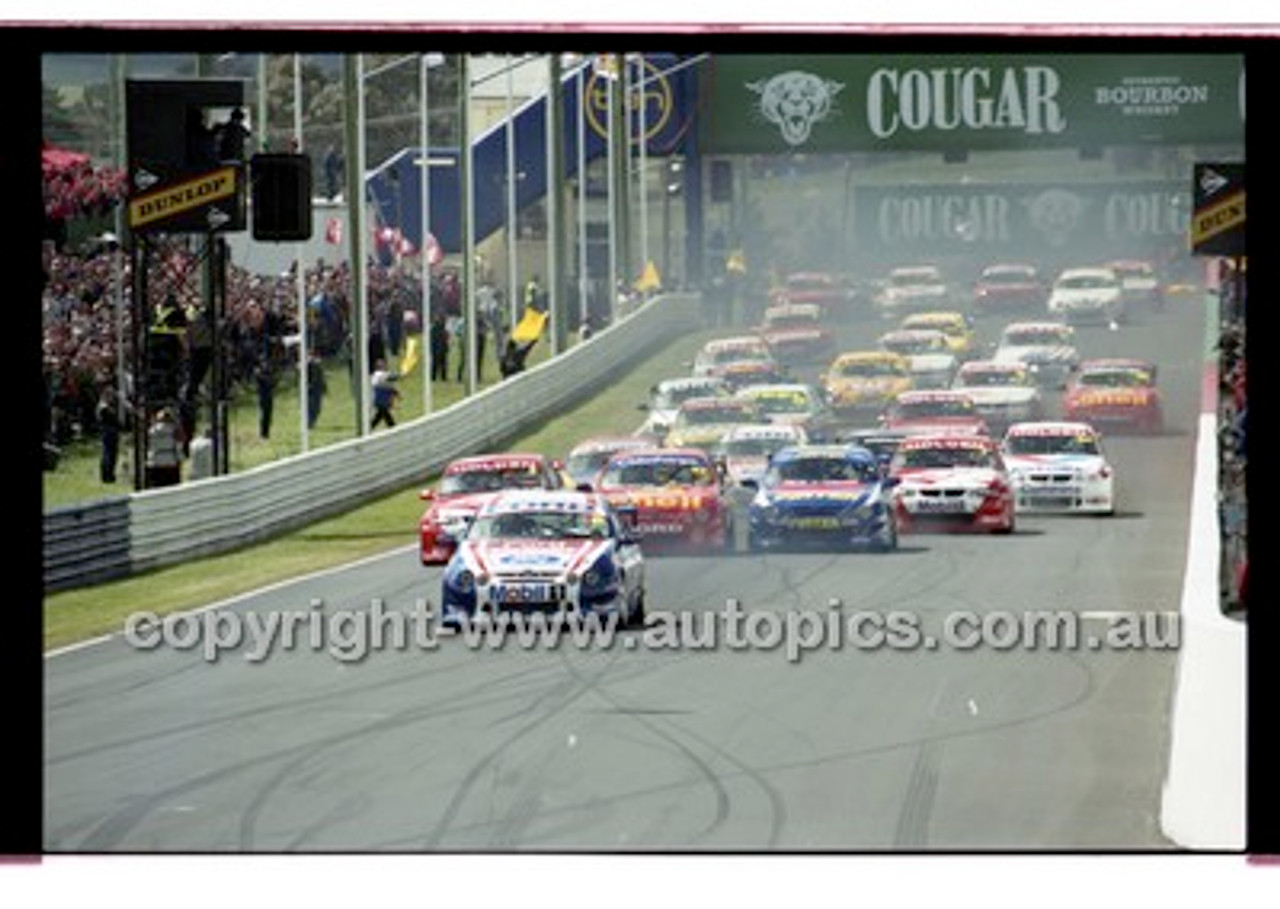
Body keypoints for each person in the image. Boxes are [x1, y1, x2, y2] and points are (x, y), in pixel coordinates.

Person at [145, 408, 183, 488]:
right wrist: (179, 460)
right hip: (170, 462)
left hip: (155, 461)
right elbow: (178, 445)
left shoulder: (152, 430)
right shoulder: (174, 429)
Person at [95, 383, 120, 483]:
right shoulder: (103, 406)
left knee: (112, 454)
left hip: (111, 432)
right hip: (107, 432)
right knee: (108, 455)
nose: (112, 397)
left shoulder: (107, 406)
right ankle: (106, 476)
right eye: (110, 395)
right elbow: (108, 417)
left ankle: (110, 474)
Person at [371, 359, 401, 429]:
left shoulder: (384, 375)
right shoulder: (377, 375)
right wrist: (400, 375)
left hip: (385, 400)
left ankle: (370, 427)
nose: (384, 367)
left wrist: (397, 393)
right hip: (381, 399)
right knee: (384, 414)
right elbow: (389, 377)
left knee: (380, 415)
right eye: (382, 366)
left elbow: (390, 387)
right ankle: (392, 427)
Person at [254, 353, 275, 440]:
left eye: (266, 361)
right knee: (262, 415)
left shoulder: (268, 370)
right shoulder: (258, 371)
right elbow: (264, 380)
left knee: (268, 415)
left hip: (269, 395)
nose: (265, 363)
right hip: (262, 396)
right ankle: (262, 434)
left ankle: (267, 433)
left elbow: (272, 381)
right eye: (263, 362)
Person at [306, 350, 326, 429]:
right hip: (311, 389)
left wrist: (324, 387)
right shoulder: (308, 365)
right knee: (311, 407)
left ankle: (312, 422)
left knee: (317, 408)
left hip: (317, 389)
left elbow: (321, 377)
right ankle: (309, 423)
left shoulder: (317, 365)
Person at [430, 312, 449, 382]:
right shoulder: (435, 327)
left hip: (442, 346)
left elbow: (446, 337)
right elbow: (433, 337)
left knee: (443, 363)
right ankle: (434, 377)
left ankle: (443, 377)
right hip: (436, 346)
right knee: (435, 363)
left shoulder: (443, 327)